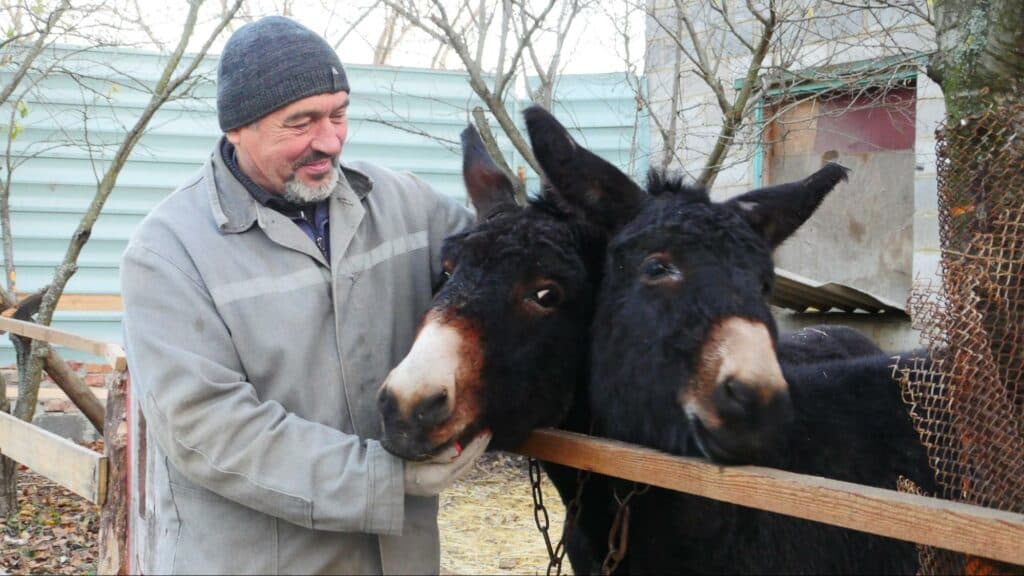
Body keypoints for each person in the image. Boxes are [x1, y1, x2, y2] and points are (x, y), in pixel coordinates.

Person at [120, 15, 490, 575]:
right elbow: (206, 426)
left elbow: (508, 274)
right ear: (237, 128)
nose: (330, 140)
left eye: (339, 113)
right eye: (301, 122)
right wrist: (383, 479)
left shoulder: (404, 205)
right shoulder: (168, 252)